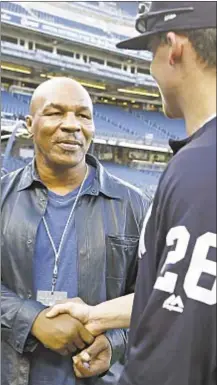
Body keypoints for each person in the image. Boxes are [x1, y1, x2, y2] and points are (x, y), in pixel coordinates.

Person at [47, 2, 217, 384]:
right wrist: (98, 315)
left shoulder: (200, 167)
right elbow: (190, 293)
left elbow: (176, 357)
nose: (150, 70)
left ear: (174, 48)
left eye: (150, 53)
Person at [1, 77, 150, 385]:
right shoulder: (2, 196)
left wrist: (113, 343)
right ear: (30, 124)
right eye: (56, 112)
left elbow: (154, 296)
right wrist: (32, 320)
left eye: (83, 115)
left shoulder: (134, 205)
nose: (72, 125)